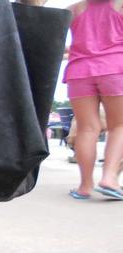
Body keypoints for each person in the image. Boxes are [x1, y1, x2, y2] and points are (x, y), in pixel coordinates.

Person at [60, 0, 123, 200]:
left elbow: (47, 36)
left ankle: (85, 186)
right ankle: (109, 178)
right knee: (119, 126)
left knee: (87, 129)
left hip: (79, 72)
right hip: (115, 68)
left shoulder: (73, 9)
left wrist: (79, 47)